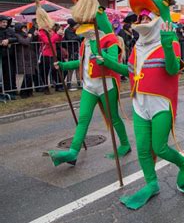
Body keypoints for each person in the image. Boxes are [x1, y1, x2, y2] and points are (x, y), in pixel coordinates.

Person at [99, 0, 184, 209]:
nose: (141, 19)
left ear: (158, 17)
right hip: (140, 103)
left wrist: (167, 43)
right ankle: (152, 183)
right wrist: (105, 61)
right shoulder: (136, 46)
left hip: (162, 103)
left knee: (159, 147)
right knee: (143, 149)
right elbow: (128, 70)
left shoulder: (169, 41)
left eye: (146, 14)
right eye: (139, 16)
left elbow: (173, 70)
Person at [47, 9, 131, 166]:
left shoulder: (110, 40)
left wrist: (103, 57)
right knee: (83, 119)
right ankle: (73, 152)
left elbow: (114, 61)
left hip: (107, 85)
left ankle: (125, 144)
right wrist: (64, 65)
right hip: (89, 86)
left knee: (113, 117)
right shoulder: (84, 42)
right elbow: (82, 62)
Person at [38, 21, 63, 94]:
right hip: (45, 54)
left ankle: (58, 86)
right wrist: (57, 35)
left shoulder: (51, 31)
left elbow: (58, 39)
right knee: (45, 72)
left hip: (53, 54)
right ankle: (46, 87)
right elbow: (48, 41)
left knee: (56, 70)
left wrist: (60, 35)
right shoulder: (41, 31)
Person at [14, 23, 37, 98]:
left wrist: (34, 35)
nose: (25, 29)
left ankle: (29, 91)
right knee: (28, 75)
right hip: (23, 57)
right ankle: (23, 92)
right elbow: (25, 42)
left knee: (31, 75)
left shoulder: (26, 35)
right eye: (23, 28)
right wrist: (29, 37)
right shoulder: (17, 35)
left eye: (25, 28)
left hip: (30, 56)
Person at [0, 15, 18, 99]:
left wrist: (8, 40)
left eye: (6, 22)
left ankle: (11, 92)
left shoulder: (10, 30)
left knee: (10, 74)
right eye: (3, 22)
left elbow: (16, 38)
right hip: (1, 56)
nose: (5, 24)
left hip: (9, 56)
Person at [64, 18, 81, 89]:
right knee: (71, 68)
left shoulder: (75, 30)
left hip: (76, 51)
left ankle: (79, 83)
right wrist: (78, 37)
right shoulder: (68, 31)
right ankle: (68, 83)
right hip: (71, 51)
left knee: (78, 67)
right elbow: (70, 39)